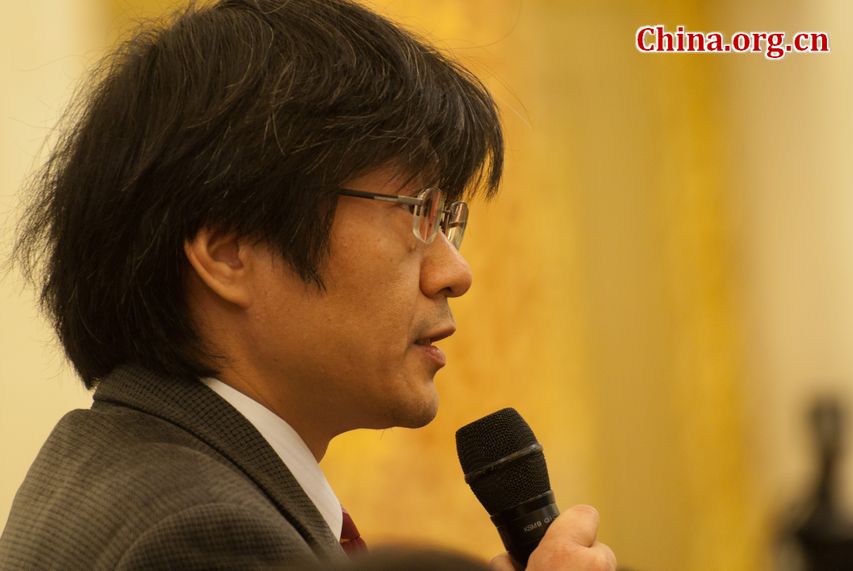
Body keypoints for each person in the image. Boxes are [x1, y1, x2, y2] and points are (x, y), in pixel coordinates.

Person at [1, 1, 616, 569]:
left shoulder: (128, 465)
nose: (456, 272)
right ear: (228, 252)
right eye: (417, 213)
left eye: (450, 221)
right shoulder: (203, 535)